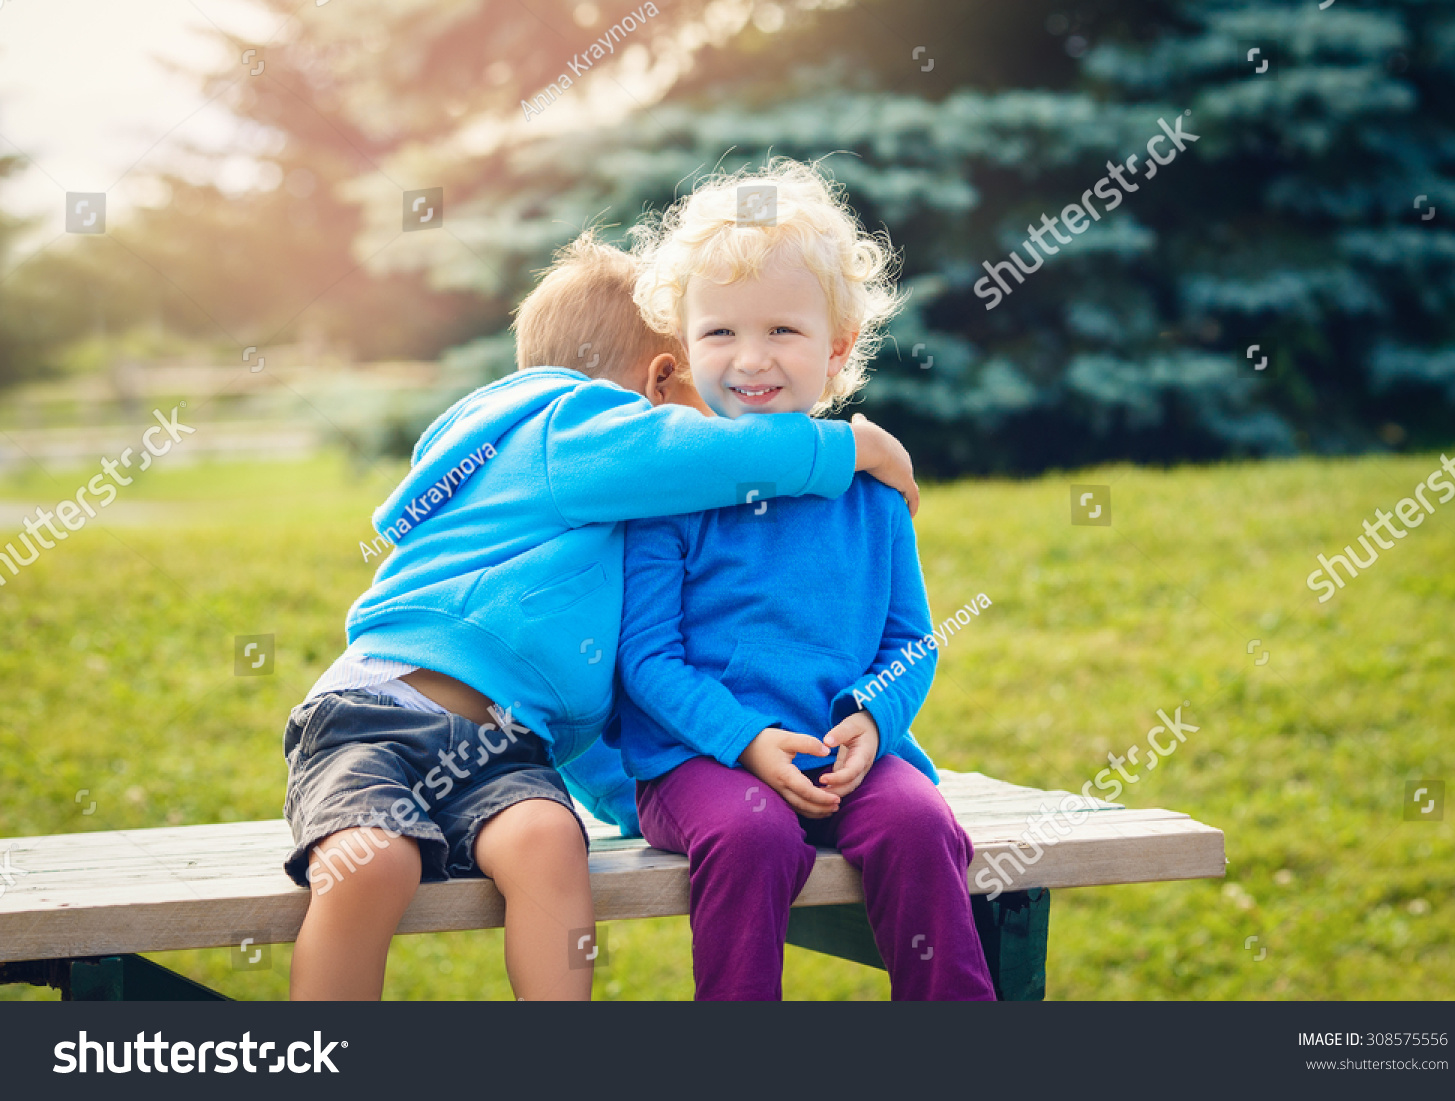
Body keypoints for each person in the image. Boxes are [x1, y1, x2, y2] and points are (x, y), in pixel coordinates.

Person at [281, 230, 921, 1000]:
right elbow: (712, 458)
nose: (718, 415)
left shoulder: (609, 529)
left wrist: (653, 801)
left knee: (551, 843)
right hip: (377, 717)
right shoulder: (566, 428)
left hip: (509, 749)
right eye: (699, 397)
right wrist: (848, 449)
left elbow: (585, 696)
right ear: (660, 379)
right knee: (372, 862)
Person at [612, 160, 995, 999]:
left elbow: (909, 639)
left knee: (919, 821)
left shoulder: (872, 492)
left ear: (838, 348)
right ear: (684, 342)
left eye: (783, 330)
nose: (751, 358)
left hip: (841, 749)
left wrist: (872, 718)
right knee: (752, 834)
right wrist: (746, 741)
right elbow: (645, 659)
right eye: (719, 333)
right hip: (699, 758)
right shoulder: (673, 490)